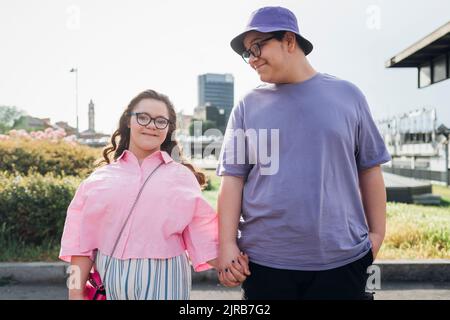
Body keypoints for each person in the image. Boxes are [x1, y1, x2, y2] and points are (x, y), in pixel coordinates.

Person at [217, 6, 391, 300]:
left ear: (289, 40)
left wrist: (376, 237)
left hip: (344, 261)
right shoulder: (247, 105)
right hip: (265, 263)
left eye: (257, 46)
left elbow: (370, 169)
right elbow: (232, 180)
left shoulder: (348, 96)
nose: (252, 59)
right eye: (247, 52)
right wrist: (227, 246)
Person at [60, 89, 240, 300]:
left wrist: (230, 267)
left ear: (168, 129)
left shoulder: (182, 177)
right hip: (111, 283)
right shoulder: (98, 180)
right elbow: (79, 246)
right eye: (143, 117)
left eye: (160, 121)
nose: (151, 125)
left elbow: (203, 235)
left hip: (167, 280)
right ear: (128, 121)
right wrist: (74, 291)